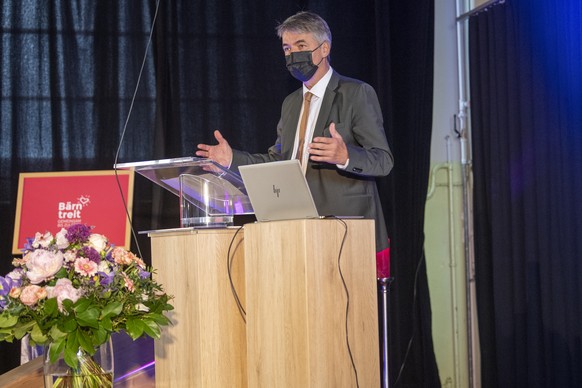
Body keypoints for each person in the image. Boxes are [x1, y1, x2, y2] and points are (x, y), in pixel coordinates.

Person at [196, 11, 393, 254]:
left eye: (301, 45)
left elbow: (383, 161)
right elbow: (279, 161)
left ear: (324, 48)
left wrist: (346, 156)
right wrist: (231, 159)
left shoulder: (356, 93)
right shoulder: (291, 103)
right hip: (296, 226)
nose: (292, 54)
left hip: (346, 228)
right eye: (287, 48)